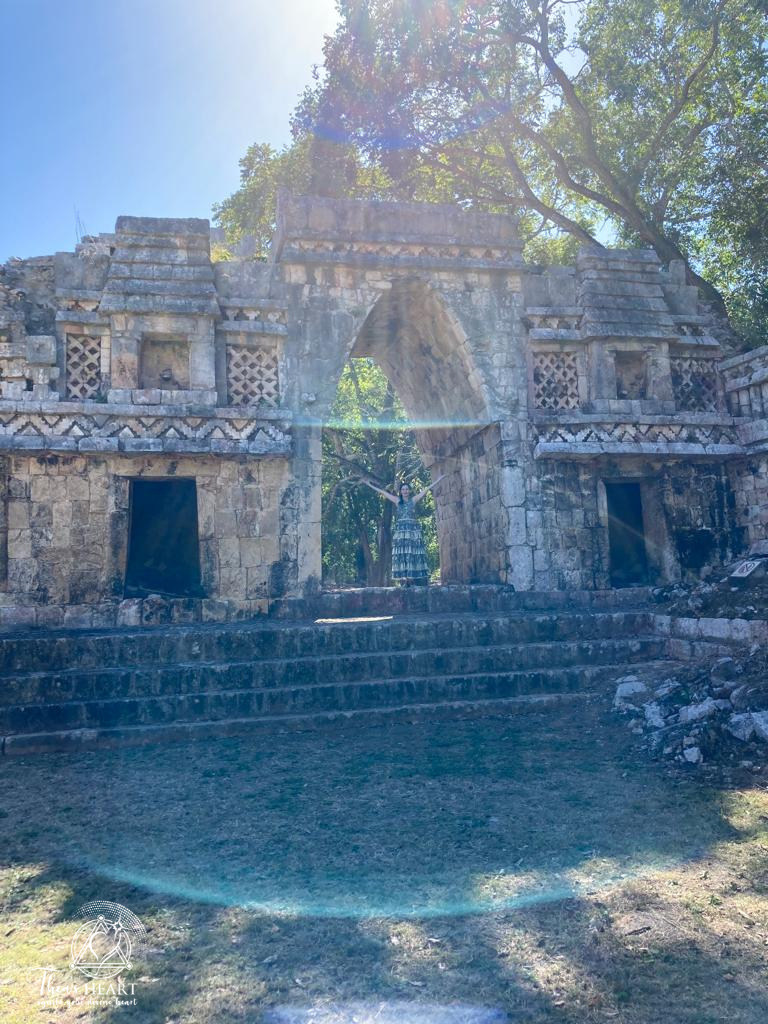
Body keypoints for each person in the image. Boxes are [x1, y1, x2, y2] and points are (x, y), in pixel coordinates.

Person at [358, 475, 446, 585]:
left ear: (409, 491)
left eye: (407, 489)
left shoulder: (413, 500)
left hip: (412, 530)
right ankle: (405, 580)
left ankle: (411, 579)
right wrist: (368, 484)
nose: (405, 491)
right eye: (403, 489)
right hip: (401, 531)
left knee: (412, 552)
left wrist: (439, 479)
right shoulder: (397, 501)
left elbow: (426, 489)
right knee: (402, 553)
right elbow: (382, 492)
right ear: (400, 491)